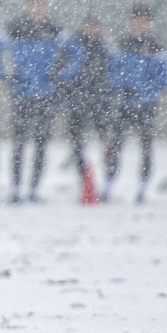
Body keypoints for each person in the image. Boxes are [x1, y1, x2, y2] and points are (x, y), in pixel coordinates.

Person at [0, 0, 83, 203]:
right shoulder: (14, 29)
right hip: (21, 94)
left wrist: (61, 75)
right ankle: (15, 189)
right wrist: (5, 75)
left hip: (46, 95)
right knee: (19, 143)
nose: (38, 10)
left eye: (42, 6)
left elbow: (77, 53)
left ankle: (33, 189)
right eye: (34, 6)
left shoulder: (55, 30)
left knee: (41, 143)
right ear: (27, 6)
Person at [102, 4, 167, 204]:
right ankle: (108, 184)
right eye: (135, 21)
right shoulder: (122, 45)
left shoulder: (157, 48)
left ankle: (142, 187)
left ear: (149, 24)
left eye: (143, 21)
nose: (139, 25)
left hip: (146, 105)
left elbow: (162, 79)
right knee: (115, 146)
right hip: (123, 105)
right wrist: (120, 87)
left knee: (146, 146)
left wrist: (141, 91)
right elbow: (112, 72)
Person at [64, 15, 112, 201]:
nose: (92, 30)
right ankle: (84, 181)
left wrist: (105, 99)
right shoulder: (74, 49)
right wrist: (68, 93)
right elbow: (64, 73)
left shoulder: (103, 50)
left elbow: (109, 76)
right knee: (77, 145)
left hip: (98, 104)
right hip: (77, 104)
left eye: (95, 26)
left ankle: (104, 184)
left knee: (106, 143)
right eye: (89, 26)